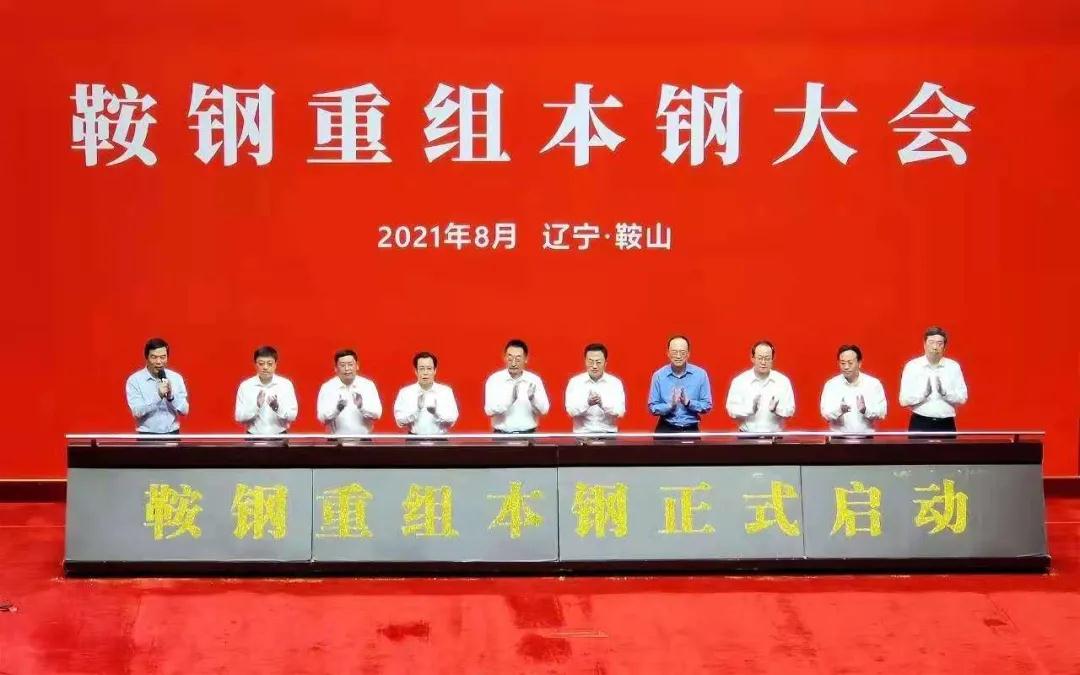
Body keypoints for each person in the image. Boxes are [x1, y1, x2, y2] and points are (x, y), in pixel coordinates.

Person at [899, 326, 968, 433]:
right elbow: (903, 401)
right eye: (931, 342)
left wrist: (945, 394)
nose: (935, 347)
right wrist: (924, 395)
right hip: (920, 422)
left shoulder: (953, 366)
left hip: (946, 424)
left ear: (944, 347)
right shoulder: (912, 366)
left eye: (939, 343)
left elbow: (963, 398)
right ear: (924, 344)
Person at [725, 340, 795, 434]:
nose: (763, 362)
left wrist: (776, 409)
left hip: (775, 437)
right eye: (760, 358)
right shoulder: (740, 381)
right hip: (746, 437)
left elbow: (790, 411)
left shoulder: (783, 381)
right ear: (752, 358)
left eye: (767, 358)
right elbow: (731, 410)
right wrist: (750, 409)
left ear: (772, 359)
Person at [648, 335, 712, 433]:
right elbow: (652, 407)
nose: (678, 356)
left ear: (688, 354)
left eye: (682, 352)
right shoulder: (659, 375)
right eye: (674, 352)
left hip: (691, 429)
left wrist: (689, 403)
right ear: (668, 353)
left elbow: (707, 405)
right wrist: (670, 406)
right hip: (666, 428)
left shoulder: (700, 374)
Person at [484, 339, 550, 433]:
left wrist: (533, 399)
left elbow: (544, 410)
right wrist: (509, 401)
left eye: (518, 359)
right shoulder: (495, 380)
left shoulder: (534, 380)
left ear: (526, 359)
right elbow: (489, 411)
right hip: (502, 435)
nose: (513, 363)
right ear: (505, 357)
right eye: (510, 358)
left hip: (528, 435)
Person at [125, 337, 189, 434]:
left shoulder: (176, 378)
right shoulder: (135, 380)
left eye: (163, 357)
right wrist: (158, 397)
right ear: (147, 357)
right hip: (147, 436)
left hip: (172, 435)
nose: (159, 362)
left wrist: (171, 397)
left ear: (167, 357)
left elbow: (185, 411)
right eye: (154, 357)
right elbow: (137, 412)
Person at [819, 344, 887, 434]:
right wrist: (840, 410)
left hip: (866, 439)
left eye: (850, 363)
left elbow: (882, 413)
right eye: (843, 363)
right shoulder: (831, 385)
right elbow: (825, 413)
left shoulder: (873, 384)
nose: (846, 367)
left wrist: (865, 410)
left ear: (859, 363)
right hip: (838, 439)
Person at [234, 345, 298, 435]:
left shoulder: (286, 385)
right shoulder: (246, 386)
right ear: (255, 365)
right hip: (253, 437)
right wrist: (256, 406)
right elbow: (239, 417)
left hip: (279, 436)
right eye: (261, 363)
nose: (265, 367)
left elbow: (293, 416)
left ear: (275, 364)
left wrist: (277, 408)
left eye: (269, 364)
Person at [316, 348, 382, 435]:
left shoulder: (367, 385)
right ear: (335, 368)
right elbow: (322, 419)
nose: (347, 369)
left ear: (357, 366)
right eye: (342, 365)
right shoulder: (327, 387)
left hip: (363, 441)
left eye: (350, 364)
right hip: (336, 441)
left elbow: (377, 415)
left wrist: (361, 407)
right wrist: (337, 410)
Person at [565, 343, 626, 434]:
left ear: (605, 363)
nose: (594, 366)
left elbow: (620, 412)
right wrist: (587, 403)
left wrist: (603, 404)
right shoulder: (575, 382)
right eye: (590, 362)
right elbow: (570, 411)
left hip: (608, 436)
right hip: (582, 436)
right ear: (585, 361)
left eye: (598, 362)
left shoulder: (615, 383)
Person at [393, 351, 459, 435]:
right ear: (416, 371)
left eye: (429, 368)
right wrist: (417, 411)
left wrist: (436, 413)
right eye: (421, 369)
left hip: (440, 440)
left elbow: (452, 419)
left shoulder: (446, 392)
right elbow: (399, 421)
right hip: (414, 439)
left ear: (435, 371)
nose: (425, 373)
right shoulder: (405, 392)